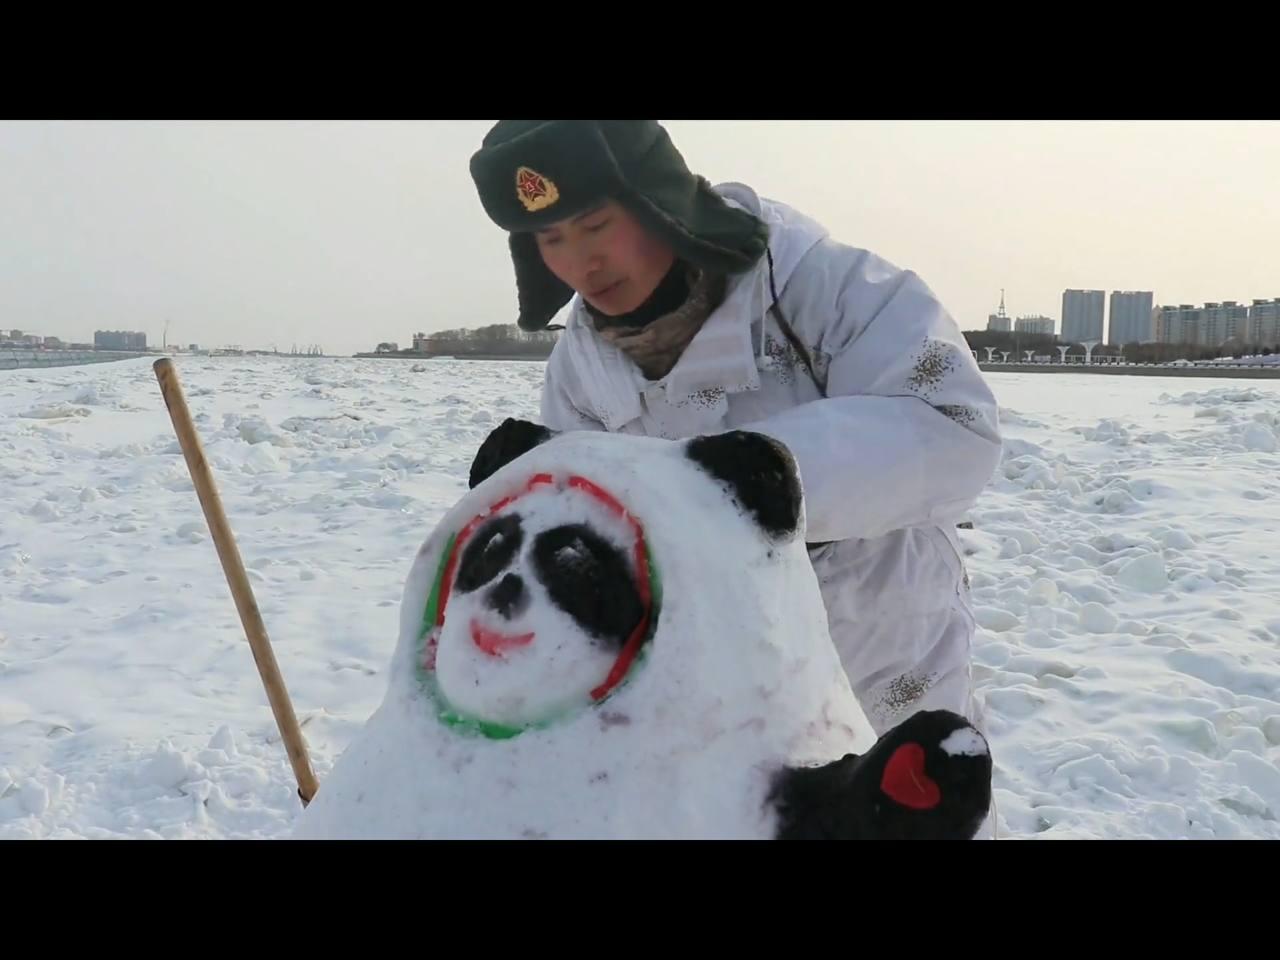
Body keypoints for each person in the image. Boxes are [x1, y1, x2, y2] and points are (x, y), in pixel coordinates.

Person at [467, 119, 1002, 747]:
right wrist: (543, 503)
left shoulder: (819, 289)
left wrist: (752, 481)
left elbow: (954, 428)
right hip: (712, 704)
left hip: (889, 669)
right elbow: (607, 560)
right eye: (550, 238)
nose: (581, 262)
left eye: (596, 225)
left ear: (655, 199)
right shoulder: (581, 370)